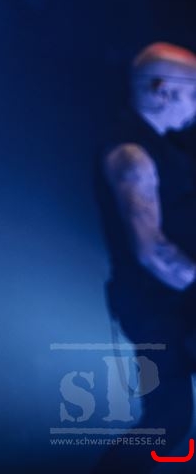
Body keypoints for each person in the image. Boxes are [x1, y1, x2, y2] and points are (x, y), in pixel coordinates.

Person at [95, 41, 196, 470]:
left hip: (175, 303)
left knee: (170, 423)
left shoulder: (166, 149)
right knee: (168, 423)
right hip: (157, 306)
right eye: (193, 91)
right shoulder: (130, 155)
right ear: (162, 88)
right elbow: (150, 249)